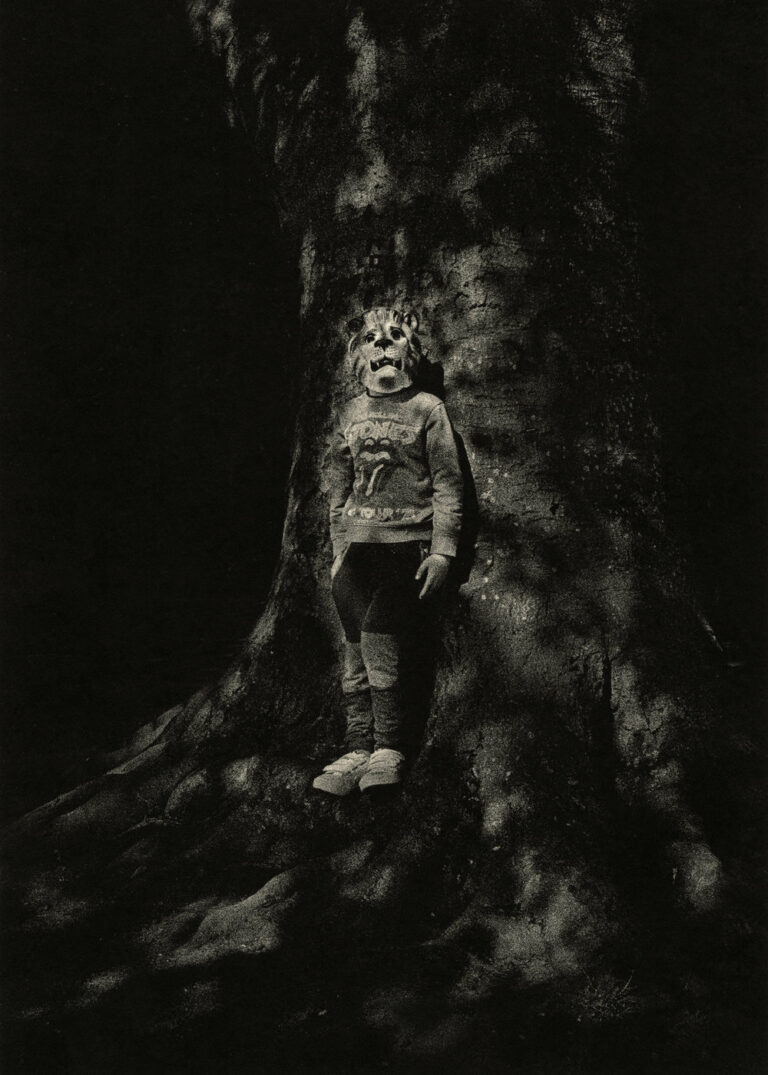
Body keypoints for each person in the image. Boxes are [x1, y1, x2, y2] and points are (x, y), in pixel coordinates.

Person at [312, 306, 464, 796]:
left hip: (407, 548)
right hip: (357, 550)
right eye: (372, 339)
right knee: (353, 654)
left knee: (380, 642)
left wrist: (442, 552)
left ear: (410, 351)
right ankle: (357, 747)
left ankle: (389, 747)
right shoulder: (349, 413)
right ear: (358, 355)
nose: (382, 345)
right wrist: (337, 551)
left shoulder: (427, 409)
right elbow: (336, 487)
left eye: (394, 336)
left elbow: (447, 483)